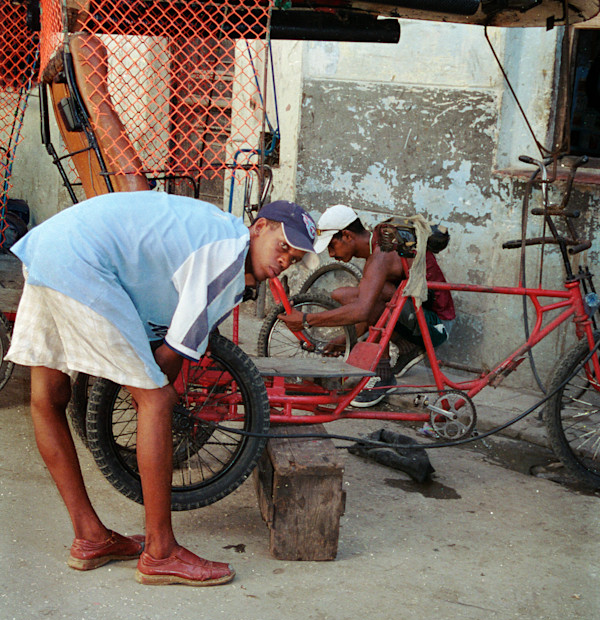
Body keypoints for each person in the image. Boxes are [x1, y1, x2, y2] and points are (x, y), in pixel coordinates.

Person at [6, 194, 317, 585]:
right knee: (156, 400)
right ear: (259, 228)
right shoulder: (228, 252)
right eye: (283, 246)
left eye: (294, 259)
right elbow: (171, 357)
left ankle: (89, 537)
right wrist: (152, 389)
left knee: (47, 399)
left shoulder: (213, 227)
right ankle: (160, 552)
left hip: (53, 246)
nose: (284, 261)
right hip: (84, 263)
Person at [278, 204, 455, 407]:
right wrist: (344, 339)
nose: (331, 254)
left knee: (375, 297)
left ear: (347, 236)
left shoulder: (382, 254)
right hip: (419, 316)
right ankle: (408, 348)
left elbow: (364, 310)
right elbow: (366, 309)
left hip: (436, 326)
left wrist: (305, 320)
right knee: (344, 294)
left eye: (332, 246)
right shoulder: (379, 243)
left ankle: (383, 375)